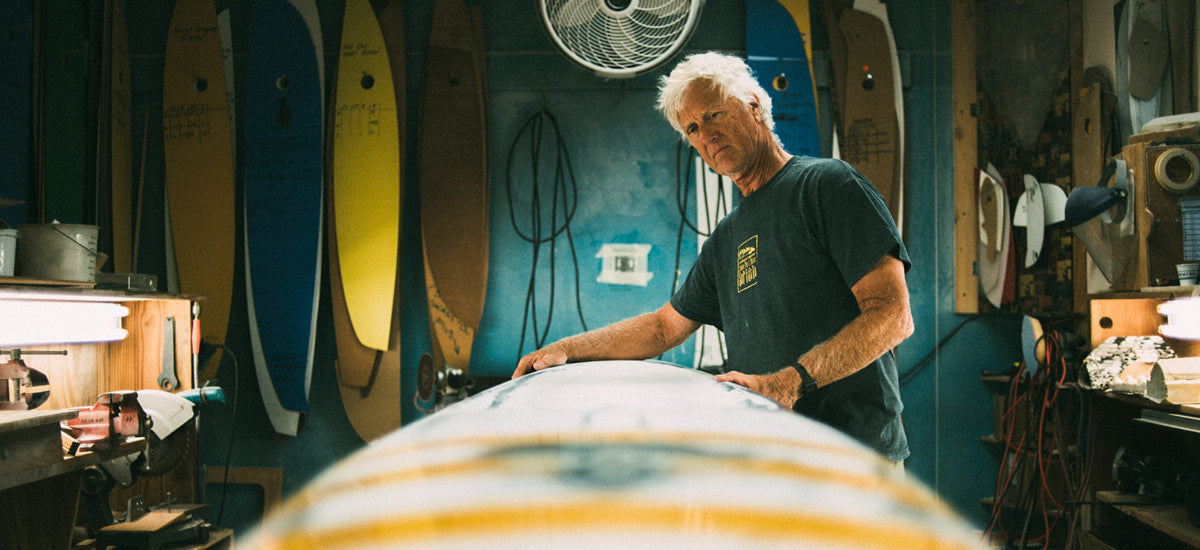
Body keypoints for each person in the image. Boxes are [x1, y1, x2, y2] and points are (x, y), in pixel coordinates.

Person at [512, 51, 914, 463]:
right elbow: (661, 327)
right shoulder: (726, 239)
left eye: (714, 115)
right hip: (771, 457)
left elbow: (893, 315)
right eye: (692, 128)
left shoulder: (827, 186)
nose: (706, 135)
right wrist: (566, 349)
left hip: (854, 458)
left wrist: (789, 383)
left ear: (754, 107)